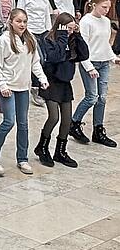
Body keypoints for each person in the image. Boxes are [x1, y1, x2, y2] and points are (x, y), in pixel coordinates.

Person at [0, 8, 49, 176]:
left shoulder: (30, 40)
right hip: (8, 88)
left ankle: (22, 159)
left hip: (23, 87)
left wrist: (42, 78)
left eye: (24, 21)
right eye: (18, 21)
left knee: (23, 124)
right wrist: (3, 85)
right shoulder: (4, 40)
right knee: (9, 121)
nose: (22, 24)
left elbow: (35, 62)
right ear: (11, 22)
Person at [37, 13, 89, 168]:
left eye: (73, 29)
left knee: (66, 120)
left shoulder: (72, 38)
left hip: (65, 83)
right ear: (60, 27)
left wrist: (77, 36)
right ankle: (42, 147)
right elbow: (55, 57)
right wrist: (62, 37)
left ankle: (60, 151)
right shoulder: (49, 39)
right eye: (68, 28)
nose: (70, 32)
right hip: (51, 82)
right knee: (54, 117)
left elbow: (84, 54)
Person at [69, 0, 119, 147]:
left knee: (102, 97)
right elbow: (83, 47)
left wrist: (113, 57)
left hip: (104, 63)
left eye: (108, 8)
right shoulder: (86, 21)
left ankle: (98, 129)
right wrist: (89, 67)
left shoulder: (106, 22)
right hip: (90, 63)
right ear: (94, 5)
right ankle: (74, 123)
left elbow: (105, 43)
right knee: (92, 96)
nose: (106, 10)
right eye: (104, 7)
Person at [18, 0, 54, 107]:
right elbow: (20, 13)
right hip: (30, 31)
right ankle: (35, 88)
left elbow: (46, 13)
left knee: (46, 57)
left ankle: (41, 86)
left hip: (42, 30)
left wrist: (49, 29)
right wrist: (23, 30)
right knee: (39, 59)